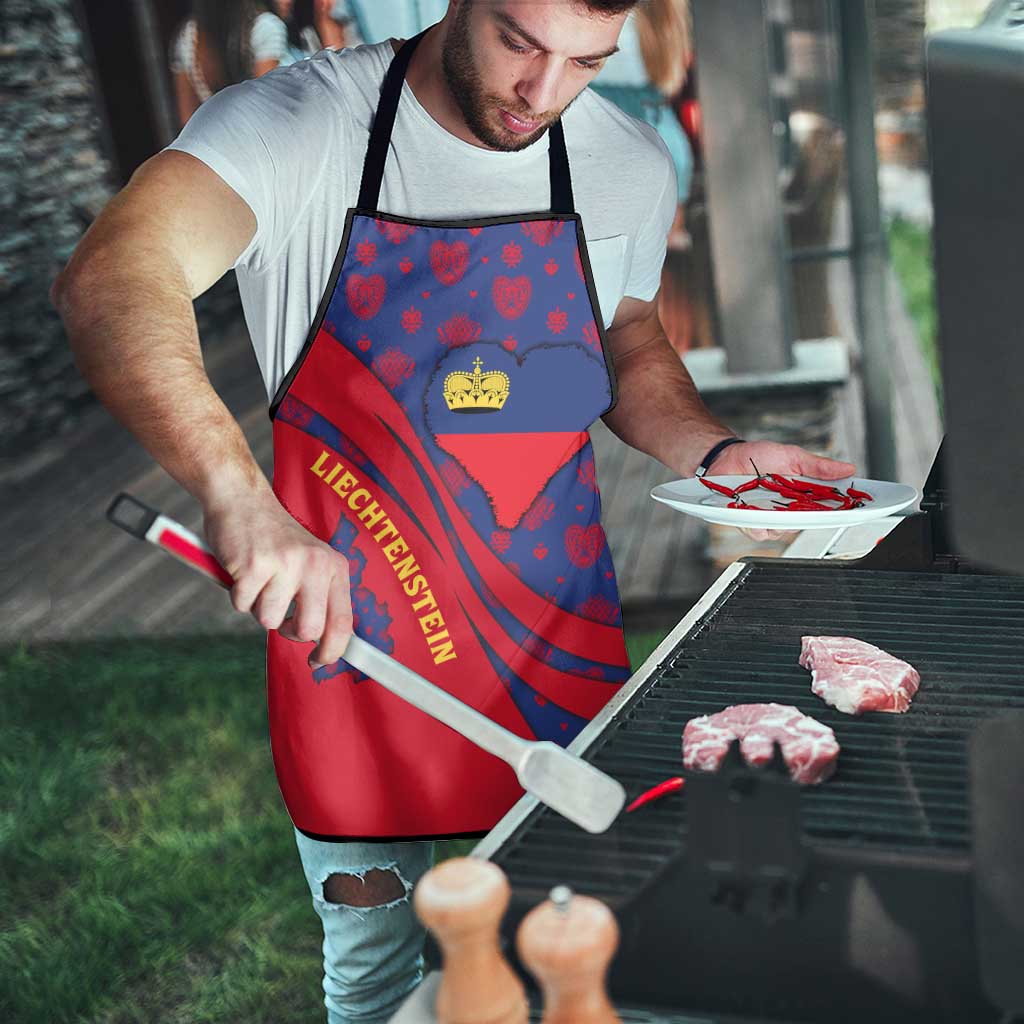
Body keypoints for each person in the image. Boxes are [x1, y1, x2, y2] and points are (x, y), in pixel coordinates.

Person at [53, 2, 856, 1020]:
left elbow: (628, 338)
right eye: (521, 43)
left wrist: (716, 449)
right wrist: (236, 496)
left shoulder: (623, 160)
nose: (543, 94)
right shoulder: (299, 126)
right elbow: (114, 275)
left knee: (576, 958)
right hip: (353, 655)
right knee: (379, 980)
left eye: (585, 62)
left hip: (553, 646)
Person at [170, 0, 289, 126]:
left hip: (215, 139)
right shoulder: (266, 27)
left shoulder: (188, 37)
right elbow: (266, 107)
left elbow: (188, 121)